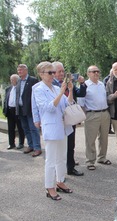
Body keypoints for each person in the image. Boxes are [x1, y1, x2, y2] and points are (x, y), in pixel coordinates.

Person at [33, 61, 74, 201]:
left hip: (62, 126)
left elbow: (67, 103)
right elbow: (49, 108)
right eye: (50, 72)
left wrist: (70, 90)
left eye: (53, 72)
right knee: (51, 160)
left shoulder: (56, 88)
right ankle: (49, 187)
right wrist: (61, 92)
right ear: (41, 74)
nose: (53, 75)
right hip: (51, 127)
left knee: (62, 157)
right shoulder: (38, 89)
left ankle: (60, 180)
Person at [52, 61, 86, 176]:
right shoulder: (51, 85)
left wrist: (82, 83)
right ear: (53, 72)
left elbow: (81, 93)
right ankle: (59, 173)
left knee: (71, 144)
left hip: (70, 118)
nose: (62, 73)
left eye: (63, 71)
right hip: (58, 119)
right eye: (59, 71)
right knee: (59, 147)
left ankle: (70, 168)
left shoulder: (68, 83)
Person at [79, 65, 111, 171]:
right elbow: (81, 103)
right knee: (90, 139)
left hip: (104, 114)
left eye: (98, 71)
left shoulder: (102, 84)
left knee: (104, 138)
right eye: (94, 71)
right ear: (88, 73)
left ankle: (102, 157)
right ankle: (90, 161)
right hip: (92, 114)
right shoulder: (85, 85)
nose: (96, 73)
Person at [15, 64, 42, 157]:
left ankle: (37, 148)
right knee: (26, 129)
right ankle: (31, 145)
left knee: (33, 129)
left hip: (30, 109)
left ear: (26, 71)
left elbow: (37, 94)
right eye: (18, 71)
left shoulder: (33, 80)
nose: (19, 72)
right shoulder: (18, 81)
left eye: (21, 70)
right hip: (21, 109)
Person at [3, 74, 25, 150]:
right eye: (11, 80)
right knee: (10, 128)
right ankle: (11, 143)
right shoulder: (8, 88)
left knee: (20, 128)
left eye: (13, 79)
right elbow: (6, 100)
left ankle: (21, 143)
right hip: (9, 110)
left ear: (17, 80)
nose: (12, 81)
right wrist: (4, 110)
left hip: (17, 110)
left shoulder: (20, 88)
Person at [103, 69, 115, 134]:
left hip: (114, 99)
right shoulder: (106, 79)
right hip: (108, 100)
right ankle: (108, 129)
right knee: (109, 115)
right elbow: (105, 89)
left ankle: (110, 128)